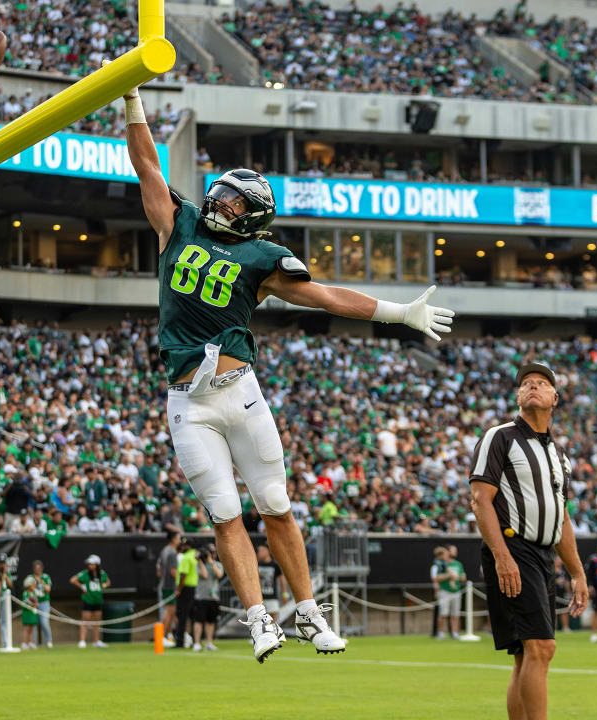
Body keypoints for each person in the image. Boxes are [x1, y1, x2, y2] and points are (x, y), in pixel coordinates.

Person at [123, 78, 451, 662]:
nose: (221, 203)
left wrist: (400, 312)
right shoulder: (182, 224)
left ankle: (307, 613)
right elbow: (148, 164)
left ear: (255, 217)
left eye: (233, 201)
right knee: (224, 512)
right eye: (221, 193)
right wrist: (130, 100)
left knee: (275, 502)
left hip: (239, 393)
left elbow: (325, 296)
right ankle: (257, 619)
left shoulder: (264, 258)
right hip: (187, 401)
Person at [470, 362, 588, 720]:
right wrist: (502, 556)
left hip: (541, 554)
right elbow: (480, 499)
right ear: (518, 396)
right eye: (526, 384)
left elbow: (561, 517)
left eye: (542, 383)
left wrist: (578, 573)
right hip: (513, 546)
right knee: (542, 647)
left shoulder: (558, 455)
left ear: (555, 398)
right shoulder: (500, 436)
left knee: (527, 653)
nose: (533, 386)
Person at [72, 555, 110, 648]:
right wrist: (81, 586)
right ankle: (82, 641)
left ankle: (96, 641)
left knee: (97, 622)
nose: (90, 566)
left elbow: (108, 582)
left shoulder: (101, 573)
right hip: (88, 600)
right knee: (85, 621)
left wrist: (103, 586)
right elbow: (73, 580)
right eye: (89, 564)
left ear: (97, 564)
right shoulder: (85, 573)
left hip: (98, 600)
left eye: (91, 564)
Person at [192, 545, 224, 652]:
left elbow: (219, 575)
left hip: (213, 597)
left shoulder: (217, 564)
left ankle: (209, 642)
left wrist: (211, 562)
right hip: (201, 597)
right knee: (199, 621)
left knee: (211, 621)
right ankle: (196, 643)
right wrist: (200, 561)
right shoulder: (198, 565)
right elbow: (204, 575)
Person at [432, 546, 465, 640]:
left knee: (455, 614)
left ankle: (454, 633)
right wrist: (449, 576)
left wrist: (459, 577)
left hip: (456, 591)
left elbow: (463, 577)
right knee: (443, 613)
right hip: (445, 591)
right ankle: (440, 632)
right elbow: (436, 578)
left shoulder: (458, 564)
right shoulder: (440, 564)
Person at [157, 531, 181, 648]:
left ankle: (170, 636)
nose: (179, 540)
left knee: (171, 612)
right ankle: (161, 637)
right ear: (172, 539)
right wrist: (180, 584)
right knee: (169, 611)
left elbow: (159, 569)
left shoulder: (164, 550)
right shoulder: (171, 552)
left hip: (164, 584)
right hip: (169, 585)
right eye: (178, 538)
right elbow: (173, 571)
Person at [21, 560, 53, 649]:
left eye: (39, 568)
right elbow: (26, 591)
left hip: (44, 602)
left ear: (42, 568)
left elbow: (48, 590)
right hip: (33, 604)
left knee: (44, 622)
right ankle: (32, 642)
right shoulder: (30, 578)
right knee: (32, 623)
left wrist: (41, 582)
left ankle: (49, 641)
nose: (37, 570)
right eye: (36, 568)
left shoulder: (45, 577)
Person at [174, 537, 198, 648]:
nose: (182, 547)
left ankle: (180, 641)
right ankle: (195, 640)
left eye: (184, 545)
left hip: (186, 589)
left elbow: (183, 575)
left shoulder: (186, 558)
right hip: (195, 589)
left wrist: (178, 589)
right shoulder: (196, 556)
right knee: (194, 616)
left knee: (182, 615)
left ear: (188, 546)